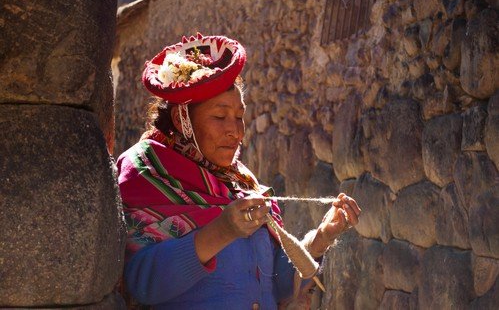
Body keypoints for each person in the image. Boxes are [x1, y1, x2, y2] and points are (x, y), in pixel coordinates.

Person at [117, 33, 361, 309]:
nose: (236, 131)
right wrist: (222, 230)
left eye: (240, 116)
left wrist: (321, 237)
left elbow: (275, 286)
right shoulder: (146, 174)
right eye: (220, 117)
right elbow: (142, 284)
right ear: (181, 120)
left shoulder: (241, 183)